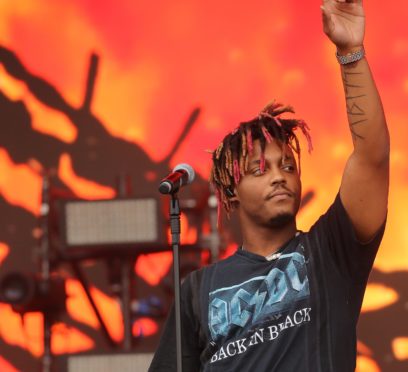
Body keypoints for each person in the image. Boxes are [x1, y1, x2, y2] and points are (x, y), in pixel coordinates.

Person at [149, 0, 389, 370]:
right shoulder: (199, 291)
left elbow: (372, 156)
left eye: (288, 166)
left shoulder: (330, 252)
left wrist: (350, 52)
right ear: (232, 191)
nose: (279, 175)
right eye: (260, 169)